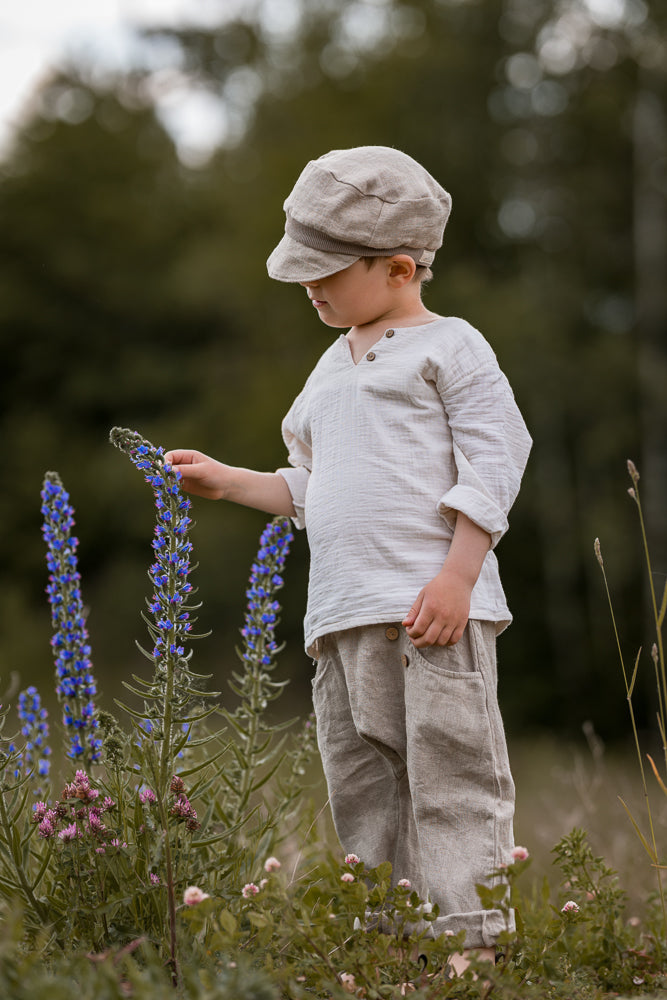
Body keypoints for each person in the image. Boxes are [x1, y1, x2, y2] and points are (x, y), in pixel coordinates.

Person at [166, 146, 532, 974]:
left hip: (433, 610)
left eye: (326, 271)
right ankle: (391, 938)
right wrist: (233, 483)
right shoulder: (329, 370)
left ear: (399, 267)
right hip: (340, 620)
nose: (310, 288)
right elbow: (311, 486)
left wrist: (457, 574)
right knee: (363, 786)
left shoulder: (452, 347)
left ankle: (469, 948)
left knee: (449, 776)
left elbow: (497, 455)